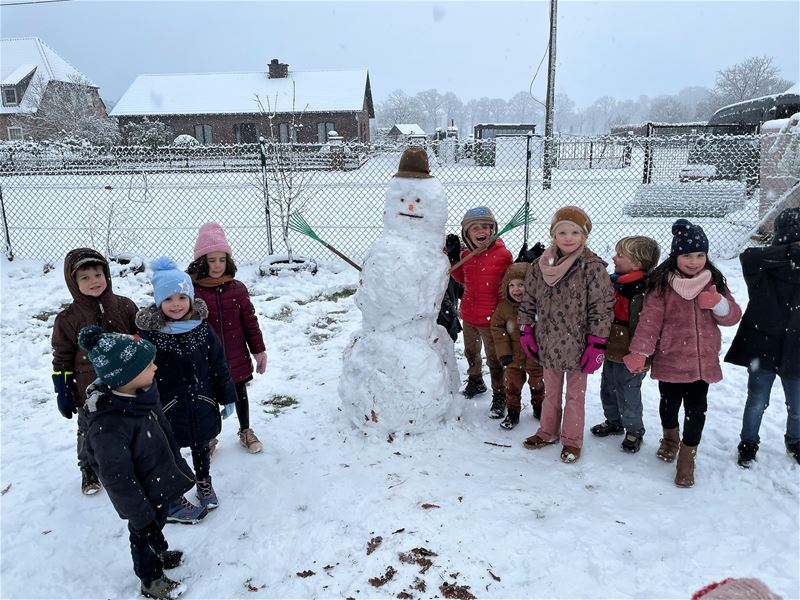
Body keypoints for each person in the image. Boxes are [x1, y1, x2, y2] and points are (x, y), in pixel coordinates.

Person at [78, 325, 192, 600]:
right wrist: (142, 519)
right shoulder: (108, 425)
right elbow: (118, 479)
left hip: (157, 476)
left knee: (159, 522)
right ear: (126, 375)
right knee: (144, 532)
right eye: (148, 365)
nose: (155, 368)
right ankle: (150, 578)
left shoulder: (141, 393)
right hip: (140, 492)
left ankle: (158, 549)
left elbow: (162, 429)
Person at [625, 219, 741, 487]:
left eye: (700, 255)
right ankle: (670, 439)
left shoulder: (712, 282)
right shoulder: (662, 285)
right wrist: (640, 352)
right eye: (687, 255)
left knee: (696, 411)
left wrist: (718, 303)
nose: (694, 262)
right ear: (675, 256)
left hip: (701, 364)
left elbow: (733, 316)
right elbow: (650, 322)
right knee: (669, 406)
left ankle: (687, 458)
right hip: (671, 359)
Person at [136, 257, 237, 522]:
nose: (176, 304)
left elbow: (218, 364)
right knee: (168, 451)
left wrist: (227, 396)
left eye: (182, 297)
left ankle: (203, 481)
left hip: (202, 400)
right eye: (169, 299)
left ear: (191, 298)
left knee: (201, 446)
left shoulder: (203, 329)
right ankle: (174, 493)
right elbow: (142, 374)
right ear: (159, 301)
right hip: (166, 406)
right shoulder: (151, 335)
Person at [518, 206, 614, 463]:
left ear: (584, 236)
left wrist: (597, 342)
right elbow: (529, 300)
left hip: (579, 344)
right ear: (553, 235)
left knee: (574, 396)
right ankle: (547, 431)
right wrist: (526, 329)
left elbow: (602, 307)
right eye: (562, 232)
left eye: (575, 232)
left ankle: (572, 440)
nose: (568, 237)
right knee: (550, 392)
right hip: (548, 341)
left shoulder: (592, 267)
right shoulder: (540, 265)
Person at [51, 248, 138, 495]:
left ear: (107, 275)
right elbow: (62, 357)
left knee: (129, 423)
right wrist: (63, 389)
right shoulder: (68, 319)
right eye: (85, 277)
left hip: (125, 383)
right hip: (88, 388)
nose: (94, 281)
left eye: (98, 275)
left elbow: (140, 339)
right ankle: (88, 467)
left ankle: (129, 459)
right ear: (73, 282)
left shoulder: (124, 306)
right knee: (89, 428)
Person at [724, 207, 800, 467]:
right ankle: (748, 443)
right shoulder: (764, 270)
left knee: (797, 406)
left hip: (796, 350)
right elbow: (749, 257)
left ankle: (795, 440)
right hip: (764, 346)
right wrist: (786, 253)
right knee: (757, 401)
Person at [188, 222, 268, 454]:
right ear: (201, 261)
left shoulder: (237, 289)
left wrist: (259, 351)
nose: (217, 265)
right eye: (211, 260)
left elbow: (250, 322)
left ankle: (245, 430)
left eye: (222, 260)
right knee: (209, 398)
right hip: (206, 358)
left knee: (240, 392)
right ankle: (210, 437)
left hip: (235, 355)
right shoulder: (192, 291)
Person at [590, 236, 661, 453]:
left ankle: (634, 430)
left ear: (637, 264)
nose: (614, 257)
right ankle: (614, 422)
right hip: (612, 349)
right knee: (608, 388)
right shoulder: (616, 282)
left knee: (628, 392)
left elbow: (645, 328)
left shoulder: (642, 291)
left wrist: (641, 355)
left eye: (620, 255)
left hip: (632, 354)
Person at [450, 206, 513, 417]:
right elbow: (460, 277)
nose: (481, 231)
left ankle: (500, 393)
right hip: (469, 315)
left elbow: (509, 284)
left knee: (494, 358)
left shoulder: (503, 255)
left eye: (485, 227)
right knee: (471, 352)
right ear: (466, 234)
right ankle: (476, 380)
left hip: (492, 318)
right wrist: (454, 259)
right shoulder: (466, 254)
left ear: (493, 229)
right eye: (475, 228)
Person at [490, 262, 545, 429]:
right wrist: (504, 352)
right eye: (511, 285)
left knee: (537, 384)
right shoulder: (504, 307)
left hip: (535, 357)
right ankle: (513, 412)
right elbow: (497, 328)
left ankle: (539, 407)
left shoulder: (540, 305)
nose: (516, 290)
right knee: (512, 386)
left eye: (521, 284)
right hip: (513, 357)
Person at [437, 233, 464, 343]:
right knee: (444, 338)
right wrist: (452, 314)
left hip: (450, 309)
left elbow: (460, 291)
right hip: (442, 314)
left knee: (450, 338)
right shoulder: (440, 268)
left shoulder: (454, 267)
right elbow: (441, 296)